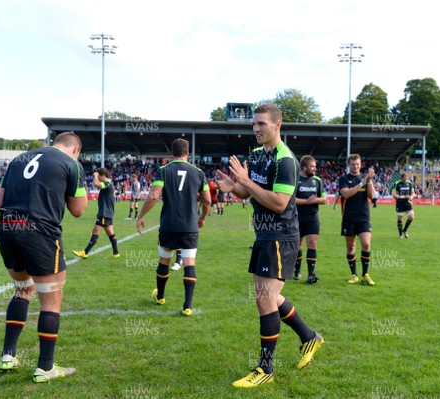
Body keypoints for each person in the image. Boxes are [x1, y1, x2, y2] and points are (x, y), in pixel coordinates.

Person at [216, 103, 323, 388]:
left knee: (264, 298)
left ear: (278, 124)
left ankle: (265, 368)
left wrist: (246, 183)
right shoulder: (256, 154)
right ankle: (309, 337)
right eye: (254, 124)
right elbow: (249, 191)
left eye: (262, 124)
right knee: (270, 296)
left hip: (281, 235)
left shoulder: (285, 160)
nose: (256, 129)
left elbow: (279, 202)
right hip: (264, 235)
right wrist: (234, 187)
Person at [0, 132, 87, 382]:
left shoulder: (18, 159)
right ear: (76, 149)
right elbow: (78, 210)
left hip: (7, 228)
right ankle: (45, 367)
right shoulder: (71, 163)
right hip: (40, 233)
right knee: (51, 302)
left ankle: (8, 355)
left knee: (23, 290)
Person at [136, 138, 210, 316]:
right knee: (189, 263)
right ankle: (187, 306)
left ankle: (160, 296)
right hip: (190, 225)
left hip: (169, 224)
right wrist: (202, 218)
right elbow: (207, 200)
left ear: (171, 152)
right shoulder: (198, 172)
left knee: (164, 261)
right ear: (187, 151)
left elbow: (154, 196)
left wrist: (140, 215)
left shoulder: (163, 170)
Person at [338, 154, 375, 285]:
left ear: (361, 164)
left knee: (366, 244)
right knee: (351, 247)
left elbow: (371, 196)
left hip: (364, 217)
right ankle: (354, 275)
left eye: (358, 164)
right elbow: (346, 194)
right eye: (353, 164)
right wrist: (362, 183)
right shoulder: (343, 179)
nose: (355, 166)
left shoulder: (365, 179)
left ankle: (365, 274)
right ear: (349, 165)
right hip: (349, 218)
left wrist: (369, 181)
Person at [72, 168, 120, 259]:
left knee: (96, 231)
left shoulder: (107, 183)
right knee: (110, 232)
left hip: (105, 212)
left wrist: (95, 176)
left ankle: (85, 252)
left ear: (102, 176)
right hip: (107, 212)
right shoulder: (109, 183)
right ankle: (116, 253)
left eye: (99, 176)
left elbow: (96, 184)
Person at [294, 155, 326, 283]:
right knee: (298, 246)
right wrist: (307, 201)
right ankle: (297, 271)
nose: (315, 169)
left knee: (312, 244)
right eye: (312, 166)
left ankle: (311, 274)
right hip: (296, 217)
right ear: (304, 167)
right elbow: (291, 200)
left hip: (312, 218)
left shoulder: (317, 180)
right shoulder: (296, 179)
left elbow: (324, 199)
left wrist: (315, 200)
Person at [393, 173, 415, 239]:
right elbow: (394, 194)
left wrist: (411, 197)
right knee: (400, 218)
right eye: (405, 178)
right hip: (400, 203)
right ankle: (400, 234)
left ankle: (404, 230)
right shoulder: (397, 183)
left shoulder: (409, 183)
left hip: (407, 202)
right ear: (402, 178)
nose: (406, 180)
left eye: (407, 178)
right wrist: (402, 196)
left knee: (411, 217)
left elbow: (413, 193)